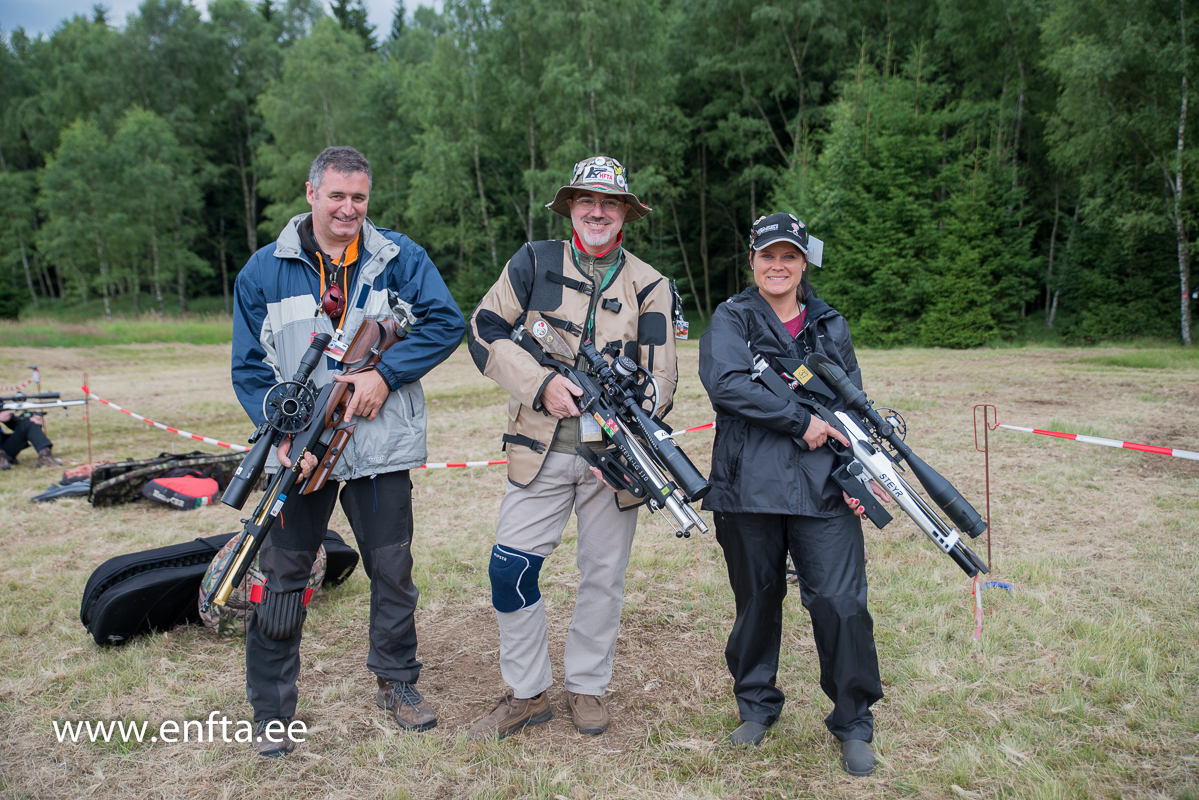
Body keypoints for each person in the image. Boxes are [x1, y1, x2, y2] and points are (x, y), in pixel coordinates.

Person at [231, 146, 464, 758]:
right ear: (310, 194)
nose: (348, 208)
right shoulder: (261, 271)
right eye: (336, 196)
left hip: (379, 448)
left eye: (358, 197)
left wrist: (384, 375)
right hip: (299, 451)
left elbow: (445, 323)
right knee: (281, 578)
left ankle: (397, 682)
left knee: (392, 570)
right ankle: (271, 712)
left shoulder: (400, 257)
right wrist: (280, 437)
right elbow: (248, 370)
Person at [465, 155, 677, 740]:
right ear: (571, 209)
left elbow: (663, 377)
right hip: (539, 448)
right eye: (587, 201)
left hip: (614, 460)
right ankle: (527, 691)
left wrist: (632, 430)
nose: (598, 212)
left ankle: (587, 686)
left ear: (626, 214)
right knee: (510, 569)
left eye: (610, 203)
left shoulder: (651, 285)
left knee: (602, 576)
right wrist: (540, 383)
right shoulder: (532, 261)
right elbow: (483, 329)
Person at [698, 212, 890, 777]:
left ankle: (853, 722)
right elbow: (727, 385)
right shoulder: (732, 317)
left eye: (789, 256)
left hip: (824, 486)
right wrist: (797, 420)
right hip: (748, 487)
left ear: (804, 262)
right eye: (767, 256)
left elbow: (851, 403)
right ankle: (756, 707)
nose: (777, 266)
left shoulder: (830, 324)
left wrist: (865, 472)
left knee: (839, 603)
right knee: (756, 602)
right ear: (752, 261)